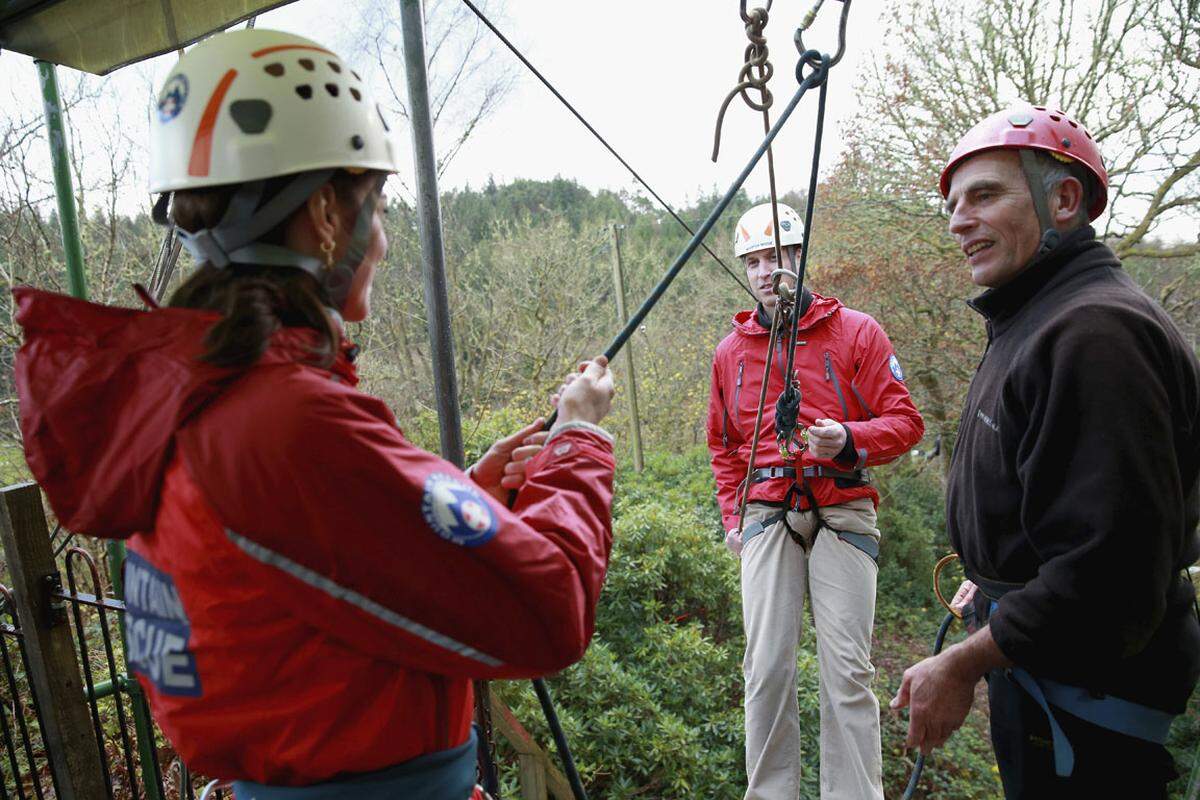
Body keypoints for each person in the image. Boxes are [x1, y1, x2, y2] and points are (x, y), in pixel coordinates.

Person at [13, 29, 617, 800]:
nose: (385, 242)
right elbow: (549, 610)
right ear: (327, 212)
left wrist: (470, 495)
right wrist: (579, 441)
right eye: (379, 205)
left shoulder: (195, 394)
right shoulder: (282, 420)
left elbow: (305, 575)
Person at [890, 103, 1200, 799]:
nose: (958, 220)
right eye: (951, 204)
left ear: (1062, 199)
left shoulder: (1095, 335)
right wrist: (991, 580)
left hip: (1095, 697)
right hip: (1053, 676)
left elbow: (1111, 572)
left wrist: (964, 663)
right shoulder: (1040, 319)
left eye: (985, 195)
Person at [706, 202, 924, 799]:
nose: (764, 271)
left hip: (843, 506)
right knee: (766, 669)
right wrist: (733, 517)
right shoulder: (731, 352)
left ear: (799, 259)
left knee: (847, 672)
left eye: (775, 257)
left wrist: (850, 438)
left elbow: (906, 422)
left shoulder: (856, 331)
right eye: (753, 261)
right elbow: (723, 445)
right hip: (765, 509)